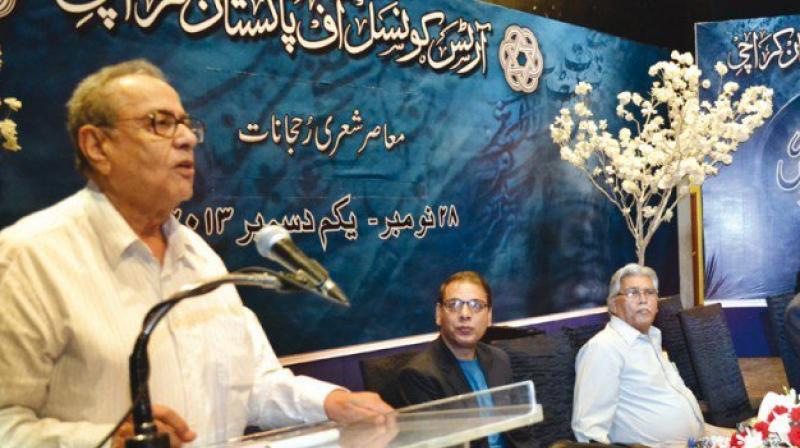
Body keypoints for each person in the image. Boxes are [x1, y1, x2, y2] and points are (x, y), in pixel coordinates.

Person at [0, 59, 391, 447]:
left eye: (186, 124)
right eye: (160, 123)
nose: (187, 139)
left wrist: (332, 402)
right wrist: (104, 443)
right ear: (97, 145)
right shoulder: (30, 258)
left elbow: (251, 384)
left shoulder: (201, 258)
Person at [571, 263, 732, 447]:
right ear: (613, 304)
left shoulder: (652, 340)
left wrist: (740, 436)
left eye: (649, 292)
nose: (643, 299)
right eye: (632, 292)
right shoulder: (603, 348)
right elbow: (589, 434)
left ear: (657, 305)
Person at [393, 271, 517, 448]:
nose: (465, 314)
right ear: (438, 314)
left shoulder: (499, 359)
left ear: (489, 316)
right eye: (454, 305)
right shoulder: (418, 375)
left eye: (476, 305)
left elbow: (521, 433)